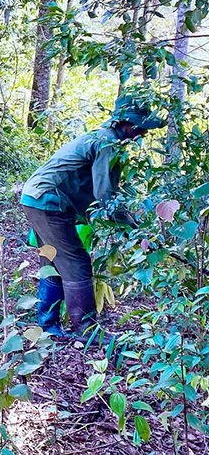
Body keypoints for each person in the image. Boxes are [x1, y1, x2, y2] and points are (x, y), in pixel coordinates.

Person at [20, 96, 165, 343]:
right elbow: (106, 196)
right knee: (76, 265)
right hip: (48, 201)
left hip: (36, 198)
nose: (142, 134)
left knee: (53, 262)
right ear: (125, 124)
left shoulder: (101, 138)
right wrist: (136, 230)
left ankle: (49, 327)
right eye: (140, 128)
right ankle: (87, 332)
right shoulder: (108, 144)